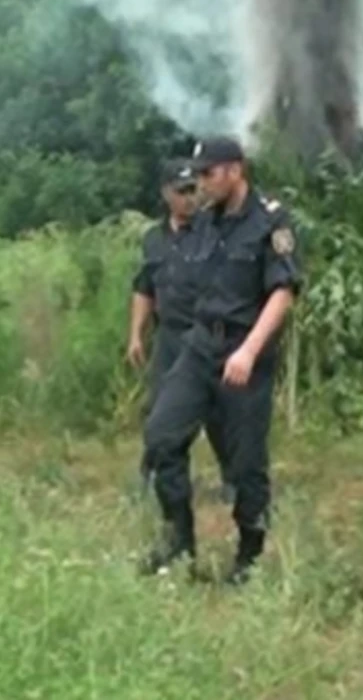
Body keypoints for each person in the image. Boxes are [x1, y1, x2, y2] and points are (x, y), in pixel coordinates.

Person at [140, 135, 301, 585]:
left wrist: (249, 349)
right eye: (198, 175)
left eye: (209, 174)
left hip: (244, 353)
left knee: (246, 465)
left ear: (235, 170)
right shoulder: (205, 221)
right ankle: (179, 540)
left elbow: (283, 292)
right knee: (161, 436)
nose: (202, 184)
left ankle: (248, 557)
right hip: (199, 347)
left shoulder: (270, 221)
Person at [126, 158, 233, 502]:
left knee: (218, 412)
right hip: (169, 336)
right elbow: (145, 287)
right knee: (159, 409)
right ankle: (152, 476)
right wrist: (136, 335)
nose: (190, 198)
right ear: (165, 194)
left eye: (194, 190)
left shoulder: (212, 230)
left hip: (204, 334)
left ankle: (234, 481)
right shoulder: (154, 239)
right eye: (182, 191)